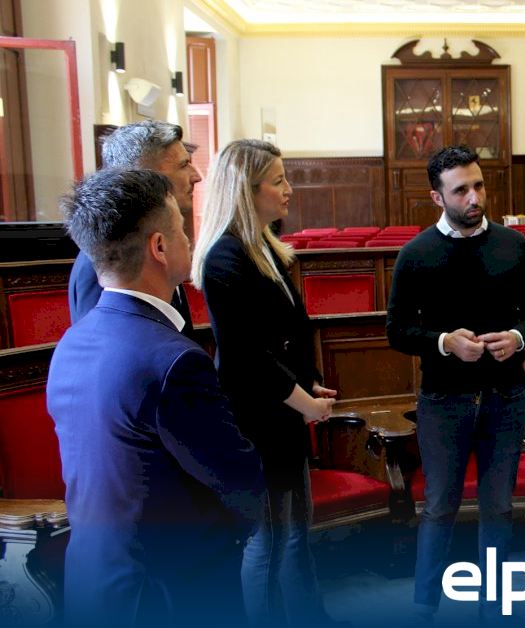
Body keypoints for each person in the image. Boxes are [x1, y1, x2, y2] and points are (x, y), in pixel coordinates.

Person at [48, 168, 264, 625]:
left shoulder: (71, 343)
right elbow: (239, 480)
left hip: (94, 580)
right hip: (173, 591)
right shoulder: (173, 360)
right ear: (159, 247)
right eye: (182, 228)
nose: (190, 238)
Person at [385, 144, 525, 622]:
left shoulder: (513, 245)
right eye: (461, 190)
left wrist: (517, 337)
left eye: (478, 185)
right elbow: (397, 330)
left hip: (505, 396)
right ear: (437, 197)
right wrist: (443, 342)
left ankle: (492, 607)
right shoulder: (416, 254)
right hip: (444, 400)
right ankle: (424, 608)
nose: (474, 197)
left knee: (499, 507)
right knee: (440, 507)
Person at [191, 139, 339, 626]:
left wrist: (309, 386)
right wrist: (305, 403)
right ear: (246, 189)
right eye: (278, 181)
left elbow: (287, 334)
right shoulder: (224, 258)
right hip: (257, 416)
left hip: (284, 410)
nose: (289, 189)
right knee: (269, 539)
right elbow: (247, 355)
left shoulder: (263, 247)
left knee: (296, 532)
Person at [68, 120, 203, 335]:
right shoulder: (104, 262)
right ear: (145, 175)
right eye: (183, 165)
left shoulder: (160, 241)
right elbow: (105, 346)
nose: (196, 176)